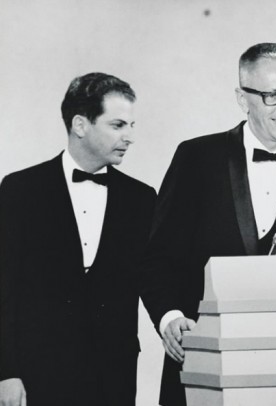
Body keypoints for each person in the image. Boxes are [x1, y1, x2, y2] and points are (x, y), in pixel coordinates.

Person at [143, 42, 276, 406]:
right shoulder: (196, 158)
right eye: (273, 95)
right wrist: (170, 318)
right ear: (242, 98)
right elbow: (156, 257)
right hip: (204, 361)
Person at [0, 73, 168, 406]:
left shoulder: (141, 198)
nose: (130, 137)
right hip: (37, 376)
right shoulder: (20, 190)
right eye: (118, 125)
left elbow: (152, 278)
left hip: (113, 375)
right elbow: (4, 287)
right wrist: (6, 372)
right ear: (80, 124)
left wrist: (170, 319)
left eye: (131, 125)